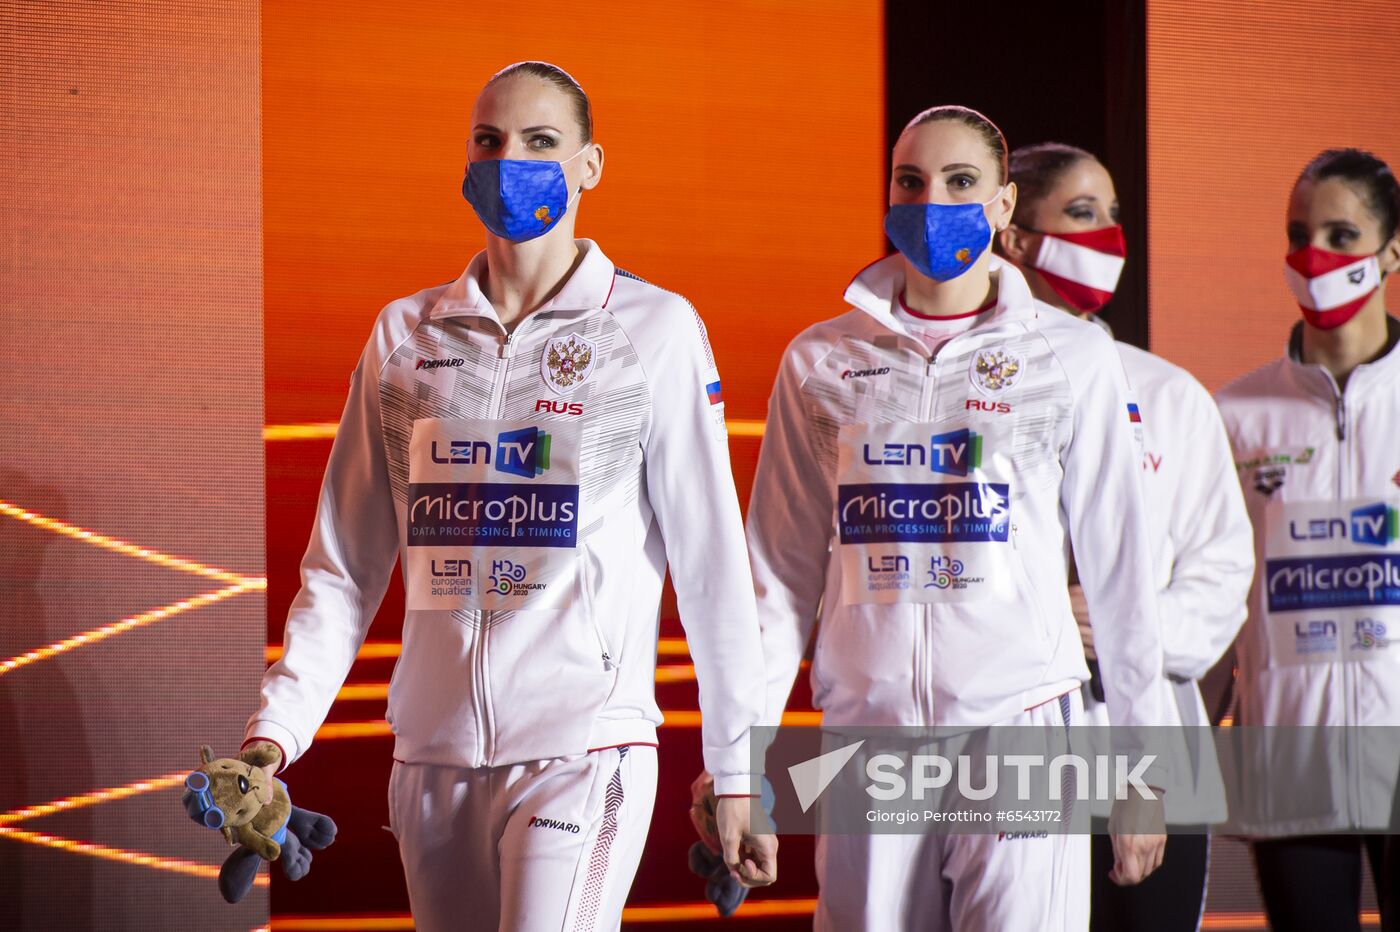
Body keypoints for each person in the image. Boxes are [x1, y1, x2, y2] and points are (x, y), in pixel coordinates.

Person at [239, 60, 776, 931]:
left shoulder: (655, 331)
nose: (508, 160)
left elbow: (713, 570)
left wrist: (738, 772)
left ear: (591, 165)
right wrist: (274, 739)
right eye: (489, 141)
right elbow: (341, 570)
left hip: (585, 746)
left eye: (539, 141)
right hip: (430, 760)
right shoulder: (403, 337)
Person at [739, 105, 1169, 931]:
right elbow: (779, 576)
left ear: (1004, 207)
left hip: (1020, 730)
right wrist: (740, 755)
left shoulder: (1071, 357)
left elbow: (1120, 573)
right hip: (867, 734)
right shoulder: (820, 360)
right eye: (911, 182)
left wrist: (1145, 771)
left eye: (961, 182)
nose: (932, 202)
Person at [996, 141, 1255, 931]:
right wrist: (1035, 620)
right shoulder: (967, 390)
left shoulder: (1170, 395)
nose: (1108, 236)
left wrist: (1120, 626)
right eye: (1081, 214)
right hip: (1009, 750)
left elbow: (1221, 577)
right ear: (1012, 234)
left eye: (1113, 217)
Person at [1215, 147, 1400, 932]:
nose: (1314, 256)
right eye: (1299, 233)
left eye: (1341, 234)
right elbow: (1217, 597)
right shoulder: (1235, 413)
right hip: (1290, 761)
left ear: (1391, 251)